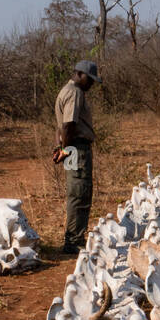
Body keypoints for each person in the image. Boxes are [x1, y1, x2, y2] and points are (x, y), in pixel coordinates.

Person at [53, 60, 102, 254]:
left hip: (71, 147)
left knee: (76, 191)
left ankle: (74, 238)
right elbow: (68, 125)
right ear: (80, 75)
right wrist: (66, 150)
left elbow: (60, 128)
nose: (91, 85)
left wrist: (60, 147)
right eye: (90, 80)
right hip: (76, 148)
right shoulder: (75, 92)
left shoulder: (65, 90)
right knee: (80, 193)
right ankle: (73, 241)